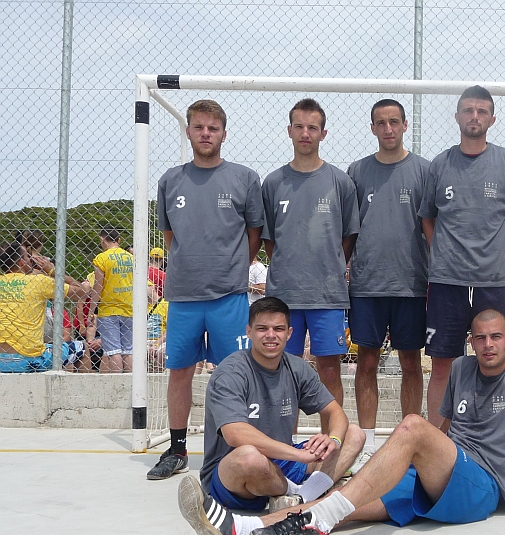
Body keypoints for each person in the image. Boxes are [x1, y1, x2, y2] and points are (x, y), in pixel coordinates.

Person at [177, 309, 505, 535]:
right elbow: (444, 430)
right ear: (471, 341)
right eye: (480, 338)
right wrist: (404, 460)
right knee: (345, 501)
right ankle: (241, 530)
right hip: (444, 471)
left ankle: (316, 522)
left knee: (411, 426)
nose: (488, 345)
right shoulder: (463, 369)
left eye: (496, 337)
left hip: (486, 485)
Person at [149, 99, 265, 480]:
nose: (205, 134)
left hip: (228, 296)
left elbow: (254, 235)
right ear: (188, 131)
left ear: (223, 134)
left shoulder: (245, 178)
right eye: (198, 127)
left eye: (212, 128)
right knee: (180, 371)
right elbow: (171, 236)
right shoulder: (170, 180)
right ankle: (178, 449)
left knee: (234, 373)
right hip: (184, 296)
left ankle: (233, 447)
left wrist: (232, 268)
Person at [176, 297, 363, 524]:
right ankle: (302, 492)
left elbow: (336, 413)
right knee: (249, 457)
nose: (271, 335)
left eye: (278, 329)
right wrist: (298, 454)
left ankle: (300, 497)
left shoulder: (297, 368)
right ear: (249, 332)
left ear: (289, 333)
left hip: (282, 462)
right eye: (262, 328)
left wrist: (333, 440)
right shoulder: (230, 372)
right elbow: (235, 434)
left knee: (354, 434)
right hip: (234, 472)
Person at [419, 85, 505, 425]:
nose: (474, 116)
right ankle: (438, 441)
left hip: (492, 282)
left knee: (497, 362)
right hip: (446, 282)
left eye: (481, 111)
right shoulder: (440, 164)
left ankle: (495, 435)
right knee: (442, 365)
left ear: (492, 119)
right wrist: (443, 253)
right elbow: (428, 217)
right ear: (457, 117)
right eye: (468, 110)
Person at [347, 99, 429, 470]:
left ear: (405, 125)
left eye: (394, 121)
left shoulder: (423, 170)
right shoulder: (357, 171)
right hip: (367, 284)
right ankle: (367, 444)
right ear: (372, 128)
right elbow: (349, 227)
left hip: (411, 283)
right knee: (366, 362)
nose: (388, 129)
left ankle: (409, 442)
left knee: (411, 362)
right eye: (381, 123)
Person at [261, 98, 359, 412]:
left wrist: (329, 265)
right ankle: (284, 440)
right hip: (285, 296)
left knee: (329, 369)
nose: (306, 133)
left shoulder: (340, 182)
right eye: (299, 127)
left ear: (323, 133)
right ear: (289, 130)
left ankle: (334, 438)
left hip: (327, 295)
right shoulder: (273, 182)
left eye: (313, 128)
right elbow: (270, 240)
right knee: (284, 371)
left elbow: (348, 237)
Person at [0, 242, 85, 372]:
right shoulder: (39, 281)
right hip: (28, 358)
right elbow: (82, 291)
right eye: (28, 256)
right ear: (22, 262)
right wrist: (52, 271)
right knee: (81, 347)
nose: (32, 259)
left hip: (1, 359)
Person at [91, 228, 134, 373]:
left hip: (108, 309)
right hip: (129, 308)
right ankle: (130, 382)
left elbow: (98, 287)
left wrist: (91, 310)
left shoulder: (101, 258)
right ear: (119, 240)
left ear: (102, 240)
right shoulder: (131, 257)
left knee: (114, 351)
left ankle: (118, 383)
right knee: (128, 351)